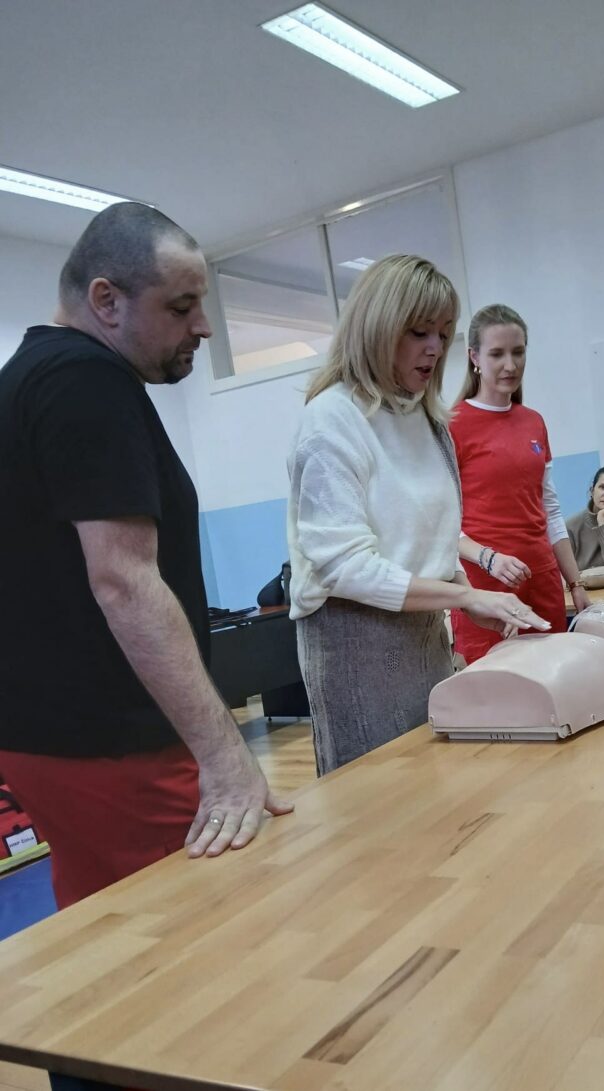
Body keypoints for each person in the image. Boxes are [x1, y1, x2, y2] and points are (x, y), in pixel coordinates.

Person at [0, 202, 293, 915]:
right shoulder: (85, 381)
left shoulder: (28, 375)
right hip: (111, 744)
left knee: (110, 932)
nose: (204, 326)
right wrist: (224, 756)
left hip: (51, 740)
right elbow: (125, 580)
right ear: (107, 300)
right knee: (194, 934)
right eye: (183, 305)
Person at [287, 256, 550, 775]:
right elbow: (345, 567)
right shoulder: (331, 420)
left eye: (444, 334)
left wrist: (465, 598)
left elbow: (431, 533)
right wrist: (464, 592)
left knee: (433, 791)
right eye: (418, 332)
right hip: (355, 641)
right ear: (378, 329)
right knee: (378, 803)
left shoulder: (426, 418)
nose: (434, 348)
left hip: (426, 630)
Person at [450, 303, 591, 665]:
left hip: (541, 580)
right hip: (485, 586)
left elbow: (550, 510)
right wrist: (488, 558)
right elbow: (439, 525)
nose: (510, 365)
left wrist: (576, 583)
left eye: (518, 352)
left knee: (553, 690)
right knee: (497, 698)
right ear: (474, 357)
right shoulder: (452, 424)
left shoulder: (534, 422)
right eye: (497, 354)